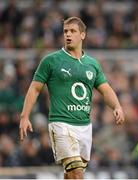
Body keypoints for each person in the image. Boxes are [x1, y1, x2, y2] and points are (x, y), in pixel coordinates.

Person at [19, 17, 125, 179]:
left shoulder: (92, 64)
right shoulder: (51, 61)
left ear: (82, 35)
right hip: (61, 124)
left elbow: (106, 90)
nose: (68, 34)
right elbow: (34, 89)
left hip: (84, 126)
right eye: (65, 31)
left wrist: (117, 106)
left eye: (73, 31)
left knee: (71, 174)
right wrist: (25, 116)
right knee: (76, 172)